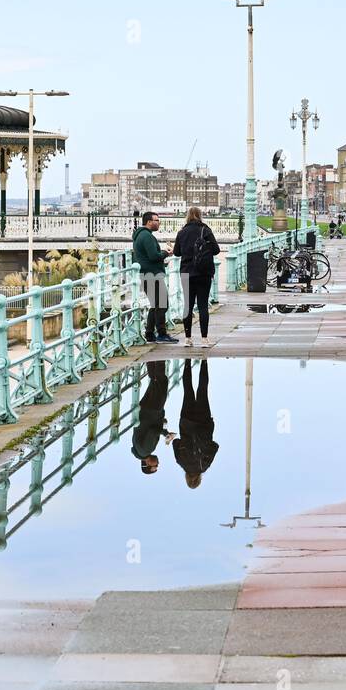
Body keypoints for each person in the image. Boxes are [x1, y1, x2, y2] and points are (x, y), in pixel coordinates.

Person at [172, 207, 220, 349]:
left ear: (187, 216)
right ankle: (204, 339)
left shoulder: (182, 232)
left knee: (188, 305)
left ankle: (188, 339)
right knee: (203, 306)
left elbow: (176, 253)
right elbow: (216, 250)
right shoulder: (205, 230)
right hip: (204, 272)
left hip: (187, 272)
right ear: (200, 216)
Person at [173, 360, 217, 489]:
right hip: (186, 422)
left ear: (199, 479)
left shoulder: (205, 465)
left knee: (202, 390)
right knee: (188, 390)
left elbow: (215, 446)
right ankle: (187, 362)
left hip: (204, 423)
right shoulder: (181, 462)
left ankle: (204, 362)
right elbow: (176, 442)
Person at [132, 211, 175, 344]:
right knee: (162, 304)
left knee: (156, 305)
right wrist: (166, 253)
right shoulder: (146, 236)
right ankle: (161, 334)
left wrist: (161, 257)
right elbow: (153, 256)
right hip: (152, 275)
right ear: (149, 222)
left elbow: (150, 256)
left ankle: (150, 334)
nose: (158, 222)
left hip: (147, 274)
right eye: (156, 220)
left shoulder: (142, 235)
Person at [131, 360, 173, 474]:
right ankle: (150, 358)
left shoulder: (146, 450)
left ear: (147, 464)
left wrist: (166, 435)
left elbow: (152, 432)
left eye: (155, 466)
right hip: (144, 411)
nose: (157, 464)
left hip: (152, 411)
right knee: (154, 382)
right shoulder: (138, 450)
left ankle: (160, 356)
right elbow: (151, 429)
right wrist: (165, 429)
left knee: (161, 382)